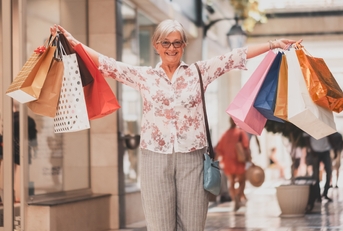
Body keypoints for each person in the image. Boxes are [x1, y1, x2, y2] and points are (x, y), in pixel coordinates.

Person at [51, 20, 298, 230]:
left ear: (183, 45)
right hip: (154, 159)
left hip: (192, 159)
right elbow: (106, 64)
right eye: (166, 43)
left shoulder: (199, 72)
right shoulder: (145, 76)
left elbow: (235, 57)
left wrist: (273, 44)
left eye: (177, 42)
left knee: (192, 225)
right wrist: (73, 42)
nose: (172, 48)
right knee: (160, 226)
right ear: (156, 45)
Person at [215, 117, 251, 211]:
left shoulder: (225, 134)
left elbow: (219, 149)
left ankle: (235, 199)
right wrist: (249, 158)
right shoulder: (240, 133)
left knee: (231, 182)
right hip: (239, 161)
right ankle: (238, 196)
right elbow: (246, 146)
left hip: (228, 162)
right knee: (242, 181)